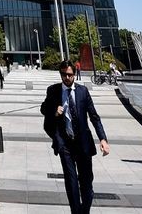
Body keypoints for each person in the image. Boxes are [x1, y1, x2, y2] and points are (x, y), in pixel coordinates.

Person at [41, 60, 110, 214]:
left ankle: (84, 210)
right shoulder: (53, 91)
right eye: (64, 75)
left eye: (70, 75)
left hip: (83, 143)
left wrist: (103, 139)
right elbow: (43, 108)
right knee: (71, 181)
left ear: (74, 75)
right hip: (65, 144)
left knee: (87, 184)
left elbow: (94, 117)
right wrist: (54, 110)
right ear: (60, 74)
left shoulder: (82, 91)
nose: (67, 78)